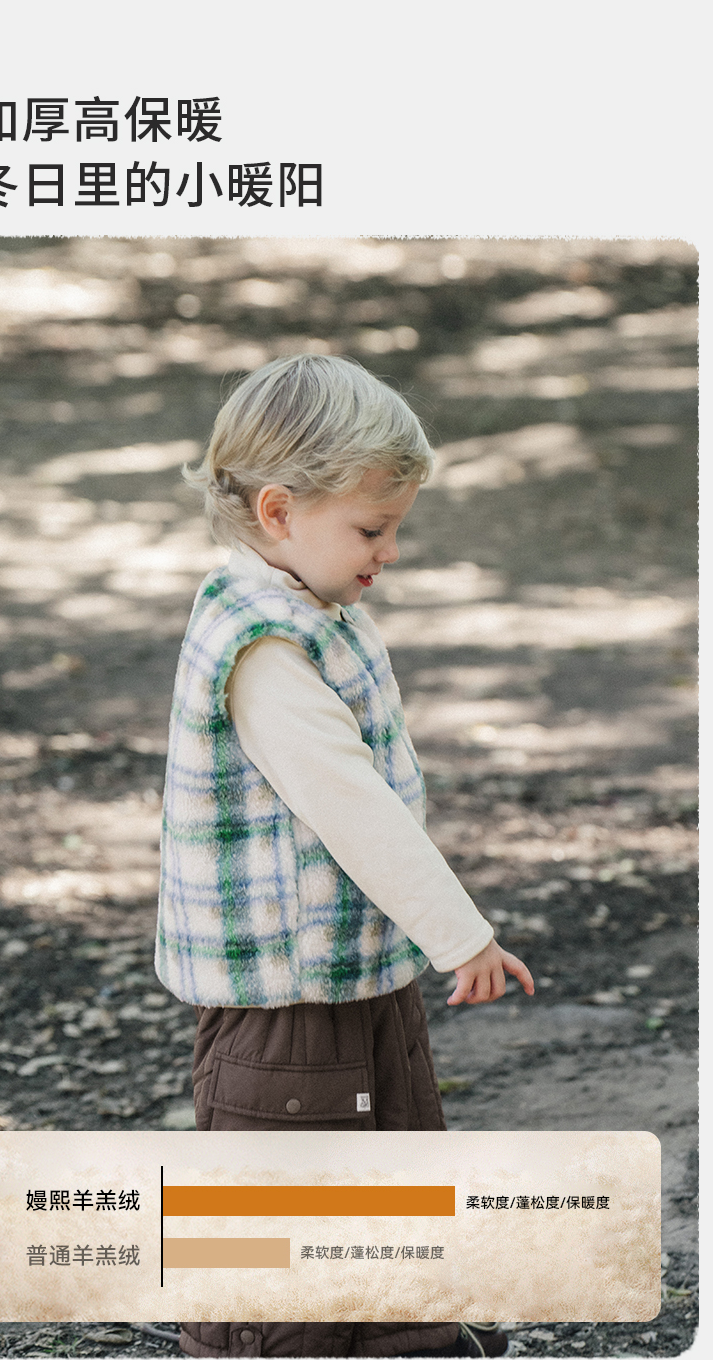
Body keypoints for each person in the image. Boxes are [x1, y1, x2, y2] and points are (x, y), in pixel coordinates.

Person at [156, 354, 534, 1359]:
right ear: (279, 511)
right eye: (372, 529)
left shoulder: (310, 609)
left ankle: (410, 1337)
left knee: (393, 1166)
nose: (389, 552)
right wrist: (461, 934)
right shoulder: (265, 647)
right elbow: (351, 807)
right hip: (286, 1003)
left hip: (355, 970)